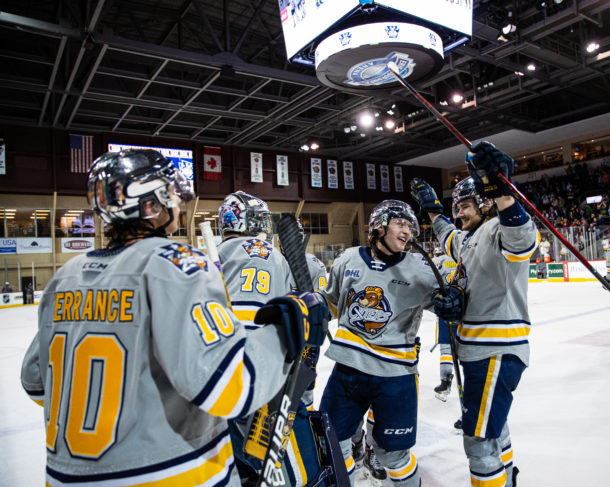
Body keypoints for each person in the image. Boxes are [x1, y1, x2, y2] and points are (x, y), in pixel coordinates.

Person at [20, 149, 326, 486]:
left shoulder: (66, 277)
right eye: (171, 195)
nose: (177, 204)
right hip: (167, 474)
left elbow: (37, 382)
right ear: (151, 205)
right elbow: (228, 386)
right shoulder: (175, 264)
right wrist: (286, 333)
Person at [411, 140, 539, 487]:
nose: (459, 214)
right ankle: (506, 476)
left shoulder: (498, 230)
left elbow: (523, 238)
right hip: (478, 350)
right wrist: (433, 210)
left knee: (478, 441)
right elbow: (448, 234)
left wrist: (502, 192)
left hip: (494, 350)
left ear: (484, 203)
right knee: (494, 427)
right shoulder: (467, 238)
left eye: (464, 206)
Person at [318, 200, 458, 487]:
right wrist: (310, 308)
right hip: (348, 371)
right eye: (401, 223)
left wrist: (454, 302)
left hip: (395, 376)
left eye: (410, 226)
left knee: (393, 455)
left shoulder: (421, 268)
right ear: (379, 225)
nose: (407, 231)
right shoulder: (347, 259)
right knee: (333, 443)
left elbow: (448, 304)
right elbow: (330, 303)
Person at [216, 192, 341, 486]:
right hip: (269, 380)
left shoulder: (212, 257)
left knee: (238, 469)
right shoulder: (273, 255)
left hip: (219, 379)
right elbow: (308, 318)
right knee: (295, 473)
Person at [432, 247, 459, 401]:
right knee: (467, 352)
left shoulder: (439, 261)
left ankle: (445, 383)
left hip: (445, 309)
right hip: (463, 309)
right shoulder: (463, 256)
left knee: (446, 348)